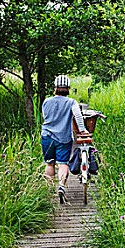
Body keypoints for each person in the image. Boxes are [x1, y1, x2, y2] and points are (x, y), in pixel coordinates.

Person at [41, 75, 89, 203]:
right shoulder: (71, 102)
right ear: (68, 88)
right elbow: (78, 116)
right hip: (63, 137)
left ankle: (49, 191)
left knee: (49, 163)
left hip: (47, 136)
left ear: (55, 88)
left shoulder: (46, 101)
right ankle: (61, 186)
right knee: (63, 164)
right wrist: (83, 130)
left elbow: (45, 116)